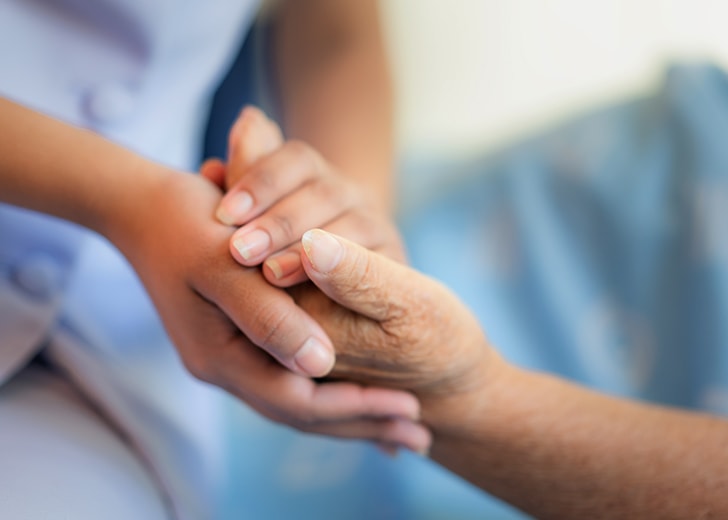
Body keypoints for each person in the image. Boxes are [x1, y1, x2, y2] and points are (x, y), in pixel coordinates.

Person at [0, 1, 433, 518]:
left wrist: (341, 231)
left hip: (116, 329)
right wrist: (128, 202)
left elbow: (335, 33)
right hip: (154, 233)